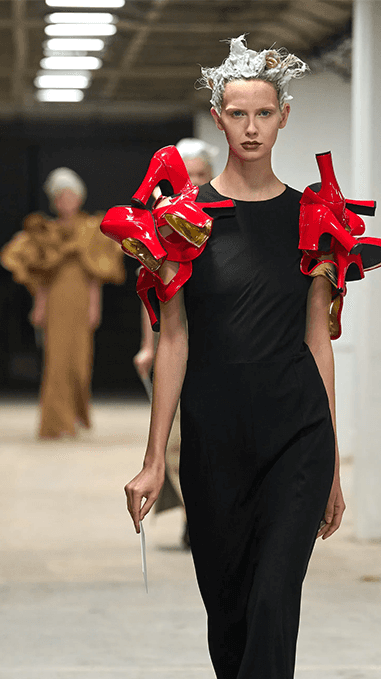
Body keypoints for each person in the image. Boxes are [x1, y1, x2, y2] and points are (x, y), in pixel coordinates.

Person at [124, 35, 345, 679]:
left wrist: (333, 459)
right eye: (237, 113)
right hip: (215, 440)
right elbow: (173, 340)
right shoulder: (184, 222)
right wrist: (156, 457)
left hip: (296, 436)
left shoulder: (312, 215)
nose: (251, 127)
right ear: (217, 119)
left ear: (284, 119)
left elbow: (318, 339)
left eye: (264, 113)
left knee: (273, 604)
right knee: (231, 617)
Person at [132, 139, 219, 545]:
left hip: (220, 345)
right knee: (178, 440)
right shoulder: (163, 223)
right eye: (188, 174)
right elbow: (151, 291)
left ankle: (208, 514)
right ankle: (193, 514)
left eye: (201, 174)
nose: (194, 182)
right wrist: (148, 346)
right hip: (178, 343)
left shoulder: (222, 220)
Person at [0, 168, 124, 439]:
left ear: (79, 197)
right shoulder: (47, 232)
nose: (64, 201)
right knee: (56, 363)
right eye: (59, 197)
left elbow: (96, 274)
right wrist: (39, 305)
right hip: (56, 303)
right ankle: (56, 423)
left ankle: (77, 415)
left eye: (69, 195)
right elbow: (42, 276)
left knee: (80, 363)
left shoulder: (90, 229)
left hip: (80, 302)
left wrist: (95, 306)